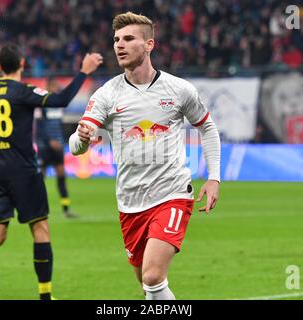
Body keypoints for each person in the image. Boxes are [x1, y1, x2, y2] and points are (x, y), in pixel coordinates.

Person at [69, 12, 221, 300]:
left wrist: (214, 178)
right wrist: (82, 138)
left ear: (149, 44)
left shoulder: (178, 89)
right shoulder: (107, 94)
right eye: (116, 40)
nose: (119, 45)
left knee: (153, 276)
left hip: (172, 195)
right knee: (148, 286)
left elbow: (207, 127)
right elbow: (76, 146)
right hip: (130, 203)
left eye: (128, 39)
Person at [0, 43, 103, 300]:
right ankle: (45, 296)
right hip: (23, 172)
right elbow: (61, 100)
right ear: (22, 64)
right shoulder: (22, 92)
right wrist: (83, 72)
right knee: (40, 229)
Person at [35, 77, 82, 218]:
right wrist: (49, 141)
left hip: (58, 145)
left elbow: (60, 125)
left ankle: (66, 209)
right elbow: (39, 126)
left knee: (61, 175)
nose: (57, 88)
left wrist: (61, 140)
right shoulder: (42, 104)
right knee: (40, 177)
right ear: (48, 87)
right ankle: (37, 208)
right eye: (54, 85)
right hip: (45, 146)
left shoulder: (59, 105)